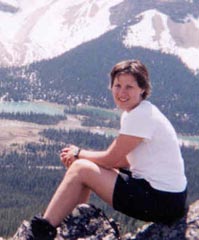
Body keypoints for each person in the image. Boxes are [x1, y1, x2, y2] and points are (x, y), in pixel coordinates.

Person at [26, 60, 187, 240]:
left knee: (81, 169)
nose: (122, 92)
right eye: (117, 85)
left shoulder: (140, 116)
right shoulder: (141, 111)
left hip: (160, 201)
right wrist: (83, 159)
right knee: (84, 168)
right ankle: (75, 222)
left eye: (129, 87)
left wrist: (78, 153)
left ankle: (41, 232)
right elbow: (124, 160)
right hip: (169, 199)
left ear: (142, 89)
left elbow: (111, 159)